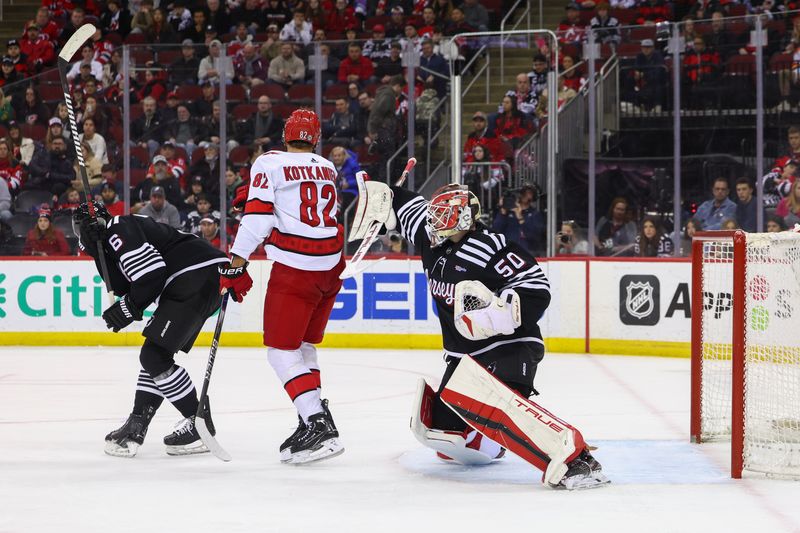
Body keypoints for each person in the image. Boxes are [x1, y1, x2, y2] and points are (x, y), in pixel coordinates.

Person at [347, 181, 608, 490]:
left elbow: (536, 286)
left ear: (464, 218)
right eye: (435, 213)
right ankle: (496, 440)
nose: (434, 220)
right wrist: (384, 197)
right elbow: (403, 203)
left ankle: (575, 458)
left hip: (509, 345)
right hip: (466, 357)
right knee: (442, 431)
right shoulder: (429, 236)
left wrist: (504, 311)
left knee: (490, 403)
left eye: (444, 214)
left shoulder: (489, 246)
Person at [220, 109, 345, 465]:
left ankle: (319, 424)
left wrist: (236, 263)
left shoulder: (268, 163)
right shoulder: (326, 166)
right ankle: (310, 419)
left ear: (285, 135)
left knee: (280, 350)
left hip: (296, 268)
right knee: (303, 346)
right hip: (331, 266)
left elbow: (259, 218)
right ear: (316, 139)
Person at [72, 200, 228, 457]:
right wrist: (96, 250)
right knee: (156, 356)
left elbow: (152, 275)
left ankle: (198, 422)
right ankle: (138, 423)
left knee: (153, 356)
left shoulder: (118, 227)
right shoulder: (111, 240)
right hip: (198, 278)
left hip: (193, 276)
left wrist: (128, 308)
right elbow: (124, 286)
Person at [491, 185, 545, 255]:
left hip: (528, 254)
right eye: (523, 192)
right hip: (508, 254)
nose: (525, 195)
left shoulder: (535, 214)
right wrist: (503, 212)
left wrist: (520, 217)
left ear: (533, 196)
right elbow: (495, 232)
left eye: (528, 193)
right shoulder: (506, 213)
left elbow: (534, 236)